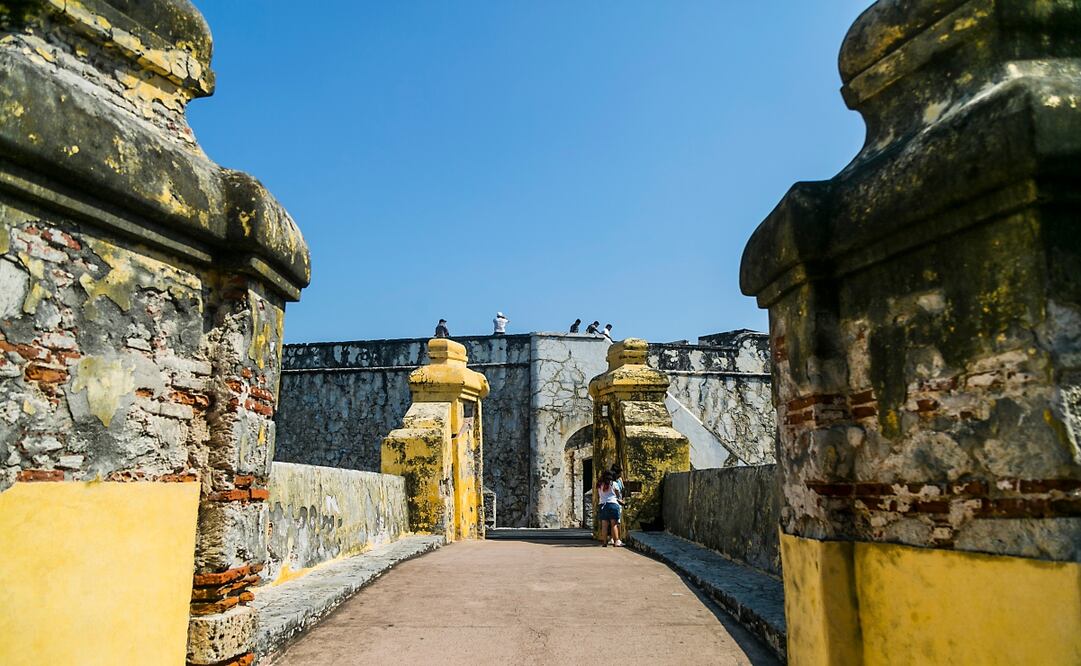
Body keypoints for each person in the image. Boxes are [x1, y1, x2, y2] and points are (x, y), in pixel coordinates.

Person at [596, 469, 623, 547]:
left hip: (603, 505)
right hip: (613, 504)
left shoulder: (599, 484)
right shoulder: (613, 484)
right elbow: (618, 495)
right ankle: (616, 541)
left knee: (604, 525)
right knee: (613, 524)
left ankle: (604, 542)